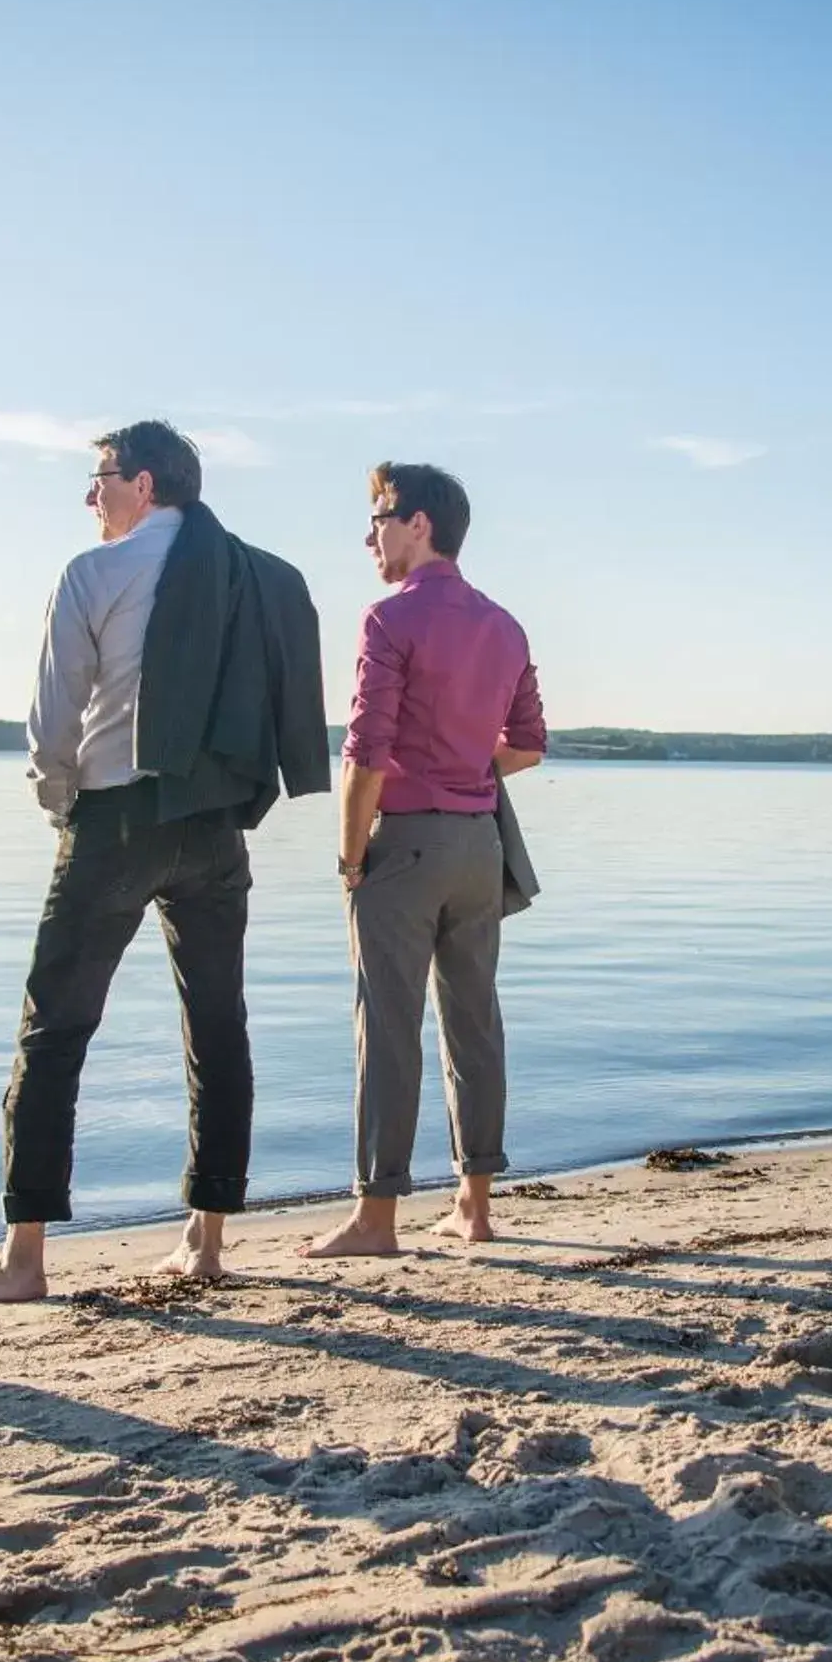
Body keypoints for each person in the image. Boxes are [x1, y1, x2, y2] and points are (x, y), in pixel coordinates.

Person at [0, 420, 327, 1300]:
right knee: (217, 1024)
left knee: (54, 1028)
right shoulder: (258, 574)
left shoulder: (95, 572)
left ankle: (24, 1258)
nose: (91, 496)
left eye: (101, 478)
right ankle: (204, 1239)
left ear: (147, 483)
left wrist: (58, 802)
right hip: (212, 825)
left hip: (117, 816)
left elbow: (55, 718)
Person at [302, 462, 545, 1259]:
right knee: (473, 1022)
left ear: (420, 525)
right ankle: (474, 1206)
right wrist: (466, 763)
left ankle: (377, 1220)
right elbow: (529, 746)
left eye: (378, 516)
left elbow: (364, 754)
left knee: (390, 1025)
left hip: (404, 843)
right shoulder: (504, 625)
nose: (368, 533)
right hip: (479, 844)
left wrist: (347, 858)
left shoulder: (388, 620)